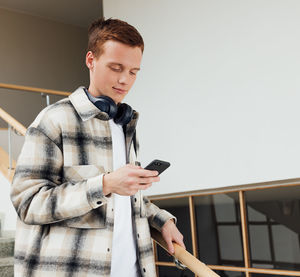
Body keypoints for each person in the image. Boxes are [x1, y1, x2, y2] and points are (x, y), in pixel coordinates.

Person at [10, 17, 185, 277]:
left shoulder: (125, 124)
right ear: (91, 60)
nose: (125, 79)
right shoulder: (54, 121)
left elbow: (127, 201)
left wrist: (162, 220)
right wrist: (104, 185)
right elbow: (28, 203)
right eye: (116, 67)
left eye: (133, 71)